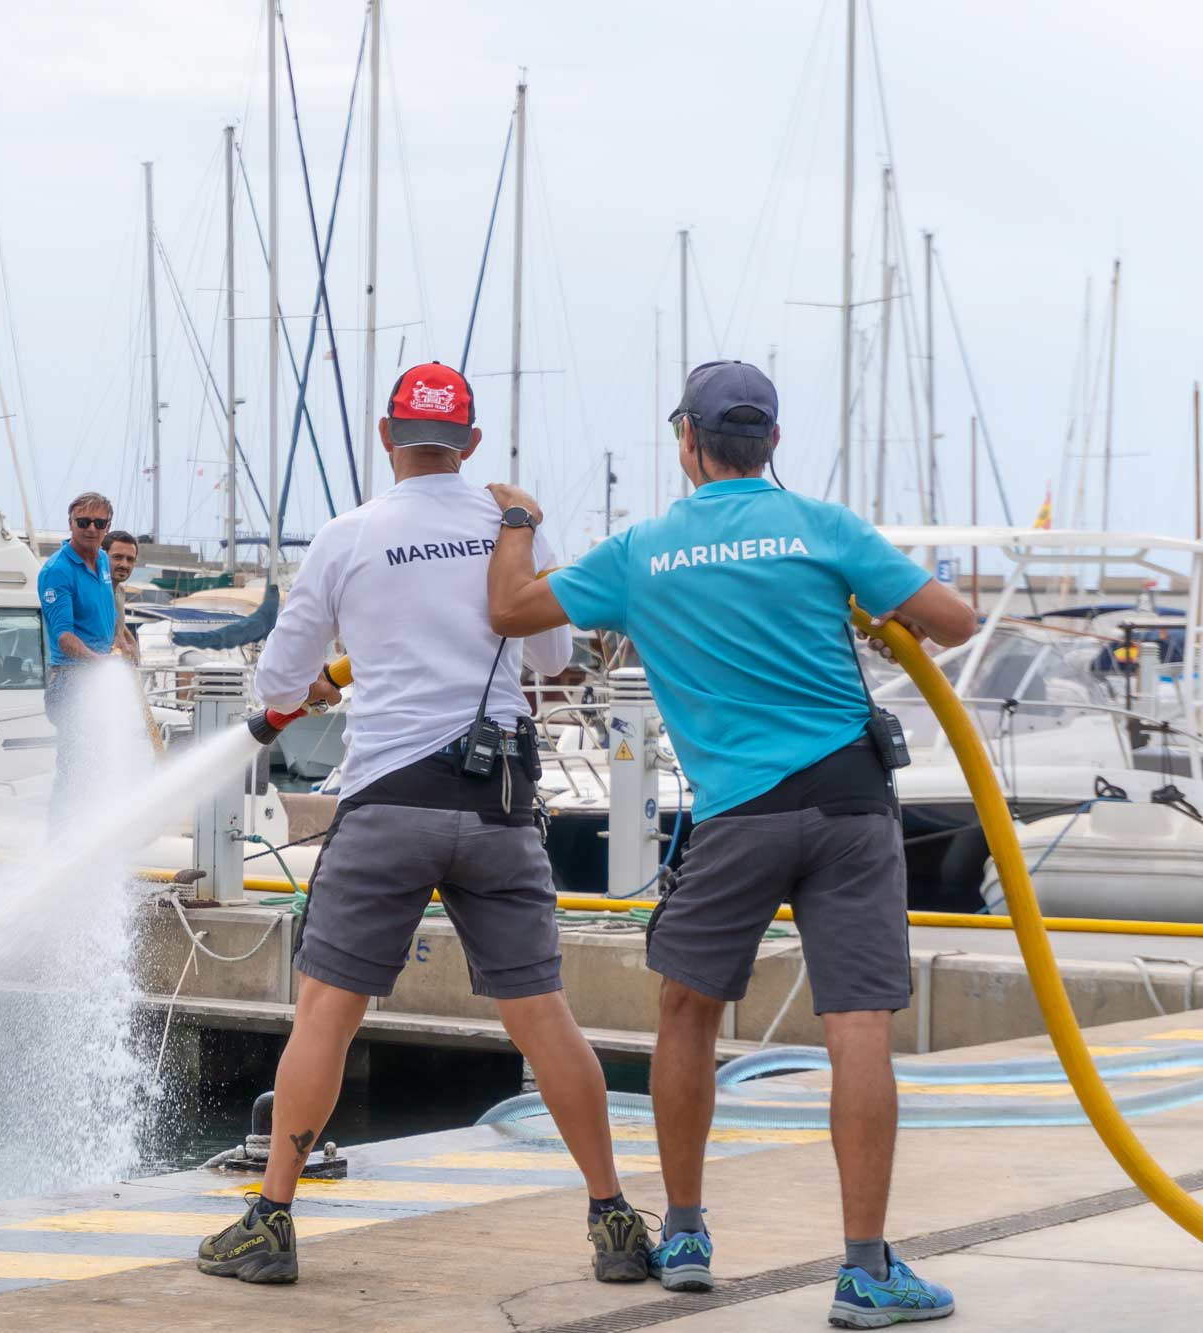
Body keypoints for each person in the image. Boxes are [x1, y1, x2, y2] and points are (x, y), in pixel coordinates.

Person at [484, 360, 977, 1328]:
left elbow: (509, 611)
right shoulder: (820, 527)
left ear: (687, 444)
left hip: (734, 814)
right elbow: (952, 622)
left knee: (685, 1013)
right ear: (772, 444)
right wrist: (880, 623)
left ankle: (683, 1234)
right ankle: (867, 1270)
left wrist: (515, 521)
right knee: (857, 1030)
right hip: (845, 803)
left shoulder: (642, 551)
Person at [197, 362, 655, 1286]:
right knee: (545, 1020)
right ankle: (611, 1215)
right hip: (495, 809)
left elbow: (281, 687)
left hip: (387, 806)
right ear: (472, 445)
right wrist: (515, 537)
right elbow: (555, 652)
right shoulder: (507, 525)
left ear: (384, 435)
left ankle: (272, 1220)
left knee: (327, 1014)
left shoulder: (346, 538)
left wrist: (340, 665)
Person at [38, 492, 120, 809]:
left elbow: (105, 607)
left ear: (108, 525)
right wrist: (101, 663)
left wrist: (121, 635)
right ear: (70, 523)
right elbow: (64, 637)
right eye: (83, 522)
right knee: (74, 769)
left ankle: (90, 829)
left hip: (96, 673)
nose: (91, 529)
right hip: (72, 679)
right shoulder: (57, 571)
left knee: (99, 762)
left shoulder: (101, 558)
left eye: (99, 523)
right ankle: (60, 840)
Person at [104, 529, 141, 663]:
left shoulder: (119, 591)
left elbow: (118, 623)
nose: (124, 564)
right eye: (117, 557)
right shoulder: (93, 591)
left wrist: (133, 646)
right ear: (102, 557)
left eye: (130, 559)